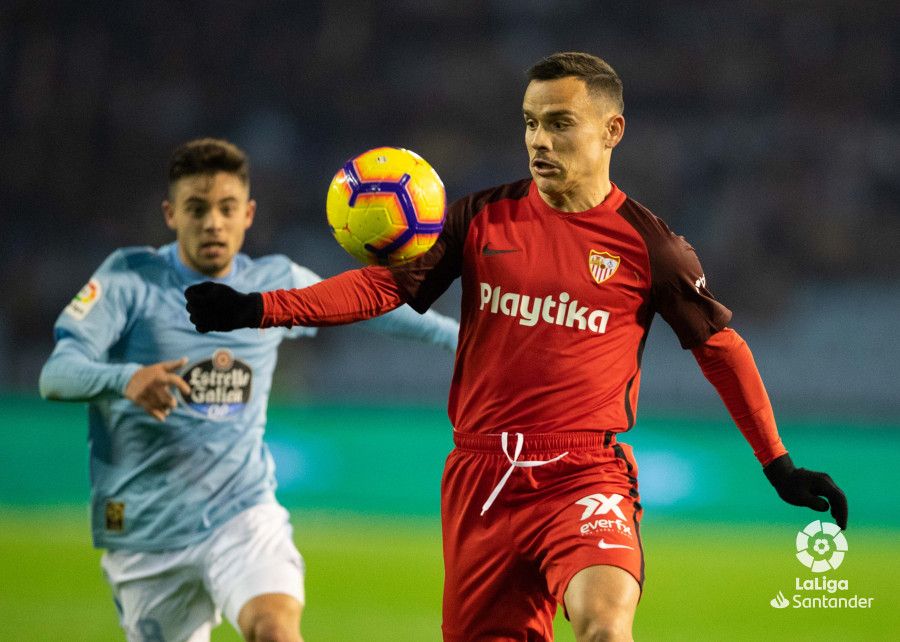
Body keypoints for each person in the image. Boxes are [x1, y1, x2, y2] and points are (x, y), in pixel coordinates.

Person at [184, 53, 848, 642]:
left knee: (606, 627)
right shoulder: (480, 218)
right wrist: (259, 307)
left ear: (612, 131)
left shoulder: (651, 247)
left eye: (560, 122)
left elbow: (719, 348)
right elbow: (382, 288)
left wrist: (779, 465)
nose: (539, 138)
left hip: (585, 474)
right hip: (481, 478)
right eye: (530, 122)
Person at [39, 137, 459, 642]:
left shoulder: (272, 281)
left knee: (275, 630)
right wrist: (124, 379)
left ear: (248, 213)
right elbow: (55, 374)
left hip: (243, 512)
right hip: (148, 529)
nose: (213, 222)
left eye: (226, 208)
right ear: (171, 214)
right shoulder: (130, 279)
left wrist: (457, 335)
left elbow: (367, 307)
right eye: (196, 209)